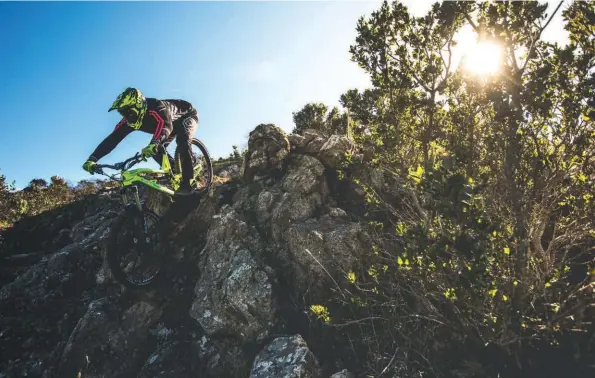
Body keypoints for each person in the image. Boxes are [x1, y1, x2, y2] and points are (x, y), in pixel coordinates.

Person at [82, 87, 199, 196]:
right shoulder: (128, 121)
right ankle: (175, 172)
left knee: (183, 140)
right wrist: (92, 158)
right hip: (169, 125)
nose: (126, 117)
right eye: (123, 113)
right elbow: (112, 139)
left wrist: (154, 143)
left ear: (138, 106)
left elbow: (165, 126)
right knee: (155, 151)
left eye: (128, 112)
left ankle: (188, 181)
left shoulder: (157, 107)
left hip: (187, 115)